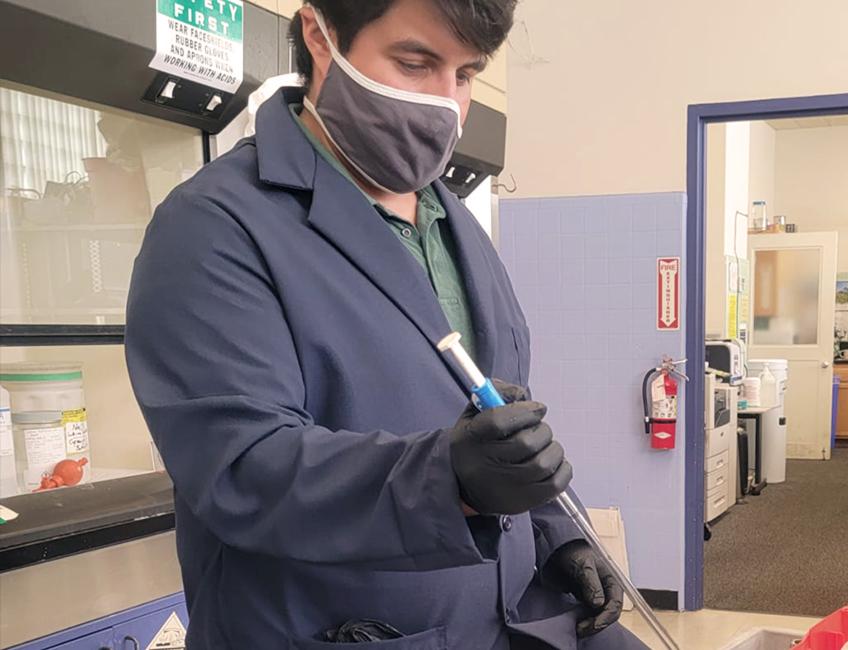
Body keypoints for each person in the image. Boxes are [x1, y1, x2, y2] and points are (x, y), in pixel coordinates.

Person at [125, 1, 648, 648]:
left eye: (466, 74)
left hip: (506, 620)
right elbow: (245, 469)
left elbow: (497, 428)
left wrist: (554, 531)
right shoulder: (214, 228)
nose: (446, 105)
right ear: (320, 35)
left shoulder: (456, 228)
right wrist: (448, 480)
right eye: (415, 63)